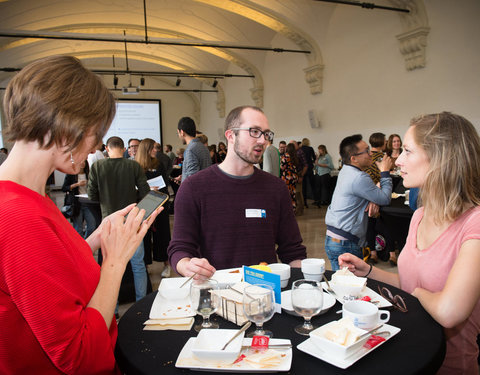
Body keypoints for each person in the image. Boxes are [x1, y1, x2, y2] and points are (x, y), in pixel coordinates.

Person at [0, 55, 159, 374]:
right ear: (66, 130)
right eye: (95, 132)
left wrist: (96, 239)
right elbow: (80, 356)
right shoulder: (18, 216)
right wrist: (115, 261)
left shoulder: (30, 197)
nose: (98, 143)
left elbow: (48, 278)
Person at [339, 112, 480, 374]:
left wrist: (418, 295)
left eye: (407, 151)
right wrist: (368, 272)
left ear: (441, 158)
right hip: (407, 354)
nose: (398, 160)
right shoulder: (419, 215)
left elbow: (449, 311)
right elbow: (409, 281)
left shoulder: (474, 223)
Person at [167, 105, 307, 279]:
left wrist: (305, 285)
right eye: (255, 131)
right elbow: (179, 249)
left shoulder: (276, 189)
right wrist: (186, 265)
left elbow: (292, 250)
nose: (263, 140)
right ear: (230, 135)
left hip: (264, 294)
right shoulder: (193, 188)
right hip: (215, 295)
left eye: (266, 134)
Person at [88, 136, 151, 303]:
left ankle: (112, 310)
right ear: (124, 149)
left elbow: (92, 194)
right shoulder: (133, 165)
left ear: (107, 149)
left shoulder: (97, 166)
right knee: (138, 265)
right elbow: (146, 191)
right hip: (132, 220)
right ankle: (141, 304)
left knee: (109, 267)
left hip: (109, 222)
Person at [325, 134, 392, 270]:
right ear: (353, 158)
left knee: (343, 285)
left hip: (334, 239)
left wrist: (372, 199)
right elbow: (385, 198)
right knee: (351, 288)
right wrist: (385, 172)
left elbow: (364, 194)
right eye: (366, 151)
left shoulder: (346, 171)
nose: (370, 154)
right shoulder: (359, 177)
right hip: (346, 242)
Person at [136, 138, 172, 277]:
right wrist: (147, 188)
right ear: (146, 149)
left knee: (163, 234)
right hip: (144, 203)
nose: (156, 150)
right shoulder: (136, 166)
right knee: (144, 235)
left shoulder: (159, 163)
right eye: (153, 148)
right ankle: (145, 265)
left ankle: (166, 264)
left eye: (156, 148)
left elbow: (164, 182)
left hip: (159, 201)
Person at [363, 132, 387, 264]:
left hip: (366, 195)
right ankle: (387, 252)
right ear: (382, 142)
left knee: (369, 226)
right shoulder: (382, 158)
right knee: (383, 224)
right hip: (379, 194)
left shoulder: (367, 157)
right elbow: (384, 177)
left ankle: (372, 253)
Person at [61, 160, 97, 238]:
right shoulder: (71, 174)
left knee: (92, 226)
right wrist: (77, 184)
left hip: (88, 203)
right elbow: (64, 188)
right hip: (76, 203)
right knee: (78, 228)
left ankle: (86, 243)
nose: (82, 163)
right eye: (80, 161)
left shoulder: (89, 174)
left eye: (84, 161)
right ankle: (81, 247)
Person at [173, 117, 211, 184]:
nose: (179, 136)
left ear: (182, 132)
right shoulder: (203, 147)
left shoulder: (190, 150)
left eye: (178, 133)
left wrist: (185, 182)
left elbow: (192, 179)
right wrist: (184, 177)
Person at [280, 143, 300, 212]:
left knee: (286, 194)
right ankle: (293, 209)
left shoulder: (285, 156)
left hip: (287, 177)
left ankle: (287, 210)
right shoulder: (295, 156)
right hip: (294, 176)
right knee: (293, 193)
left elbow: (282, 167)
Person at [300, 138, 316, 207]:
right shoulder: (310, 148)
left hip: (303, 169)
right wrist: (311, 162)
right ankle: (317, 200)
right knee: (313, 185)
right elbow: (314, 158)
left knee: (304, 187)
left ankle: (305, 202)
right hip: (309, 168)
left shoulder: (300, 149)